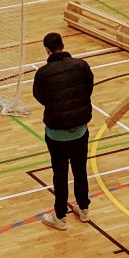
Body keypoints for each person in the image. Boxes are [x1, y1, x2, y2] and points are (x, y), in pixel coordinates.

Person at [32, 31, 95, 230]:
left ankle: (60, 216)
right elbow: (89, 88)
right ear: (62, 45)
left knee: (60, 174)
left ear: (47, 50)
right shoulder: (82, 66)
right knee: (80, 170)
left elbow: (39, 96)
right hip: (80, 130)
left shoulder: (43, 73)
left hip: (56, 134)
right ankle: (83, 208)